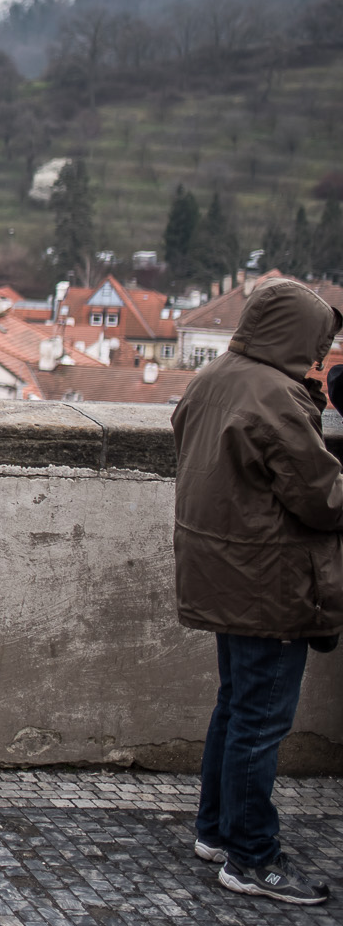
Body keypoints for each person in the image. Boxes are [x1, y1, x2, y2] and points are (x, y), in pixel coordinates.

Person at [174, 276, 343, 906]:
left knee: (235, 708)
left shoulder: (215, 376)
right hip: (268, 581)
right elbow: (324, 500)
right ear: (295, 336)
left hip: (223, 571)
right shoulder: (276, 397)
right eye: (319, 341)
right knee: (259, 722)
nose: (322, 354)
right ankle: (251, 858)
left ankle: (216, 832)